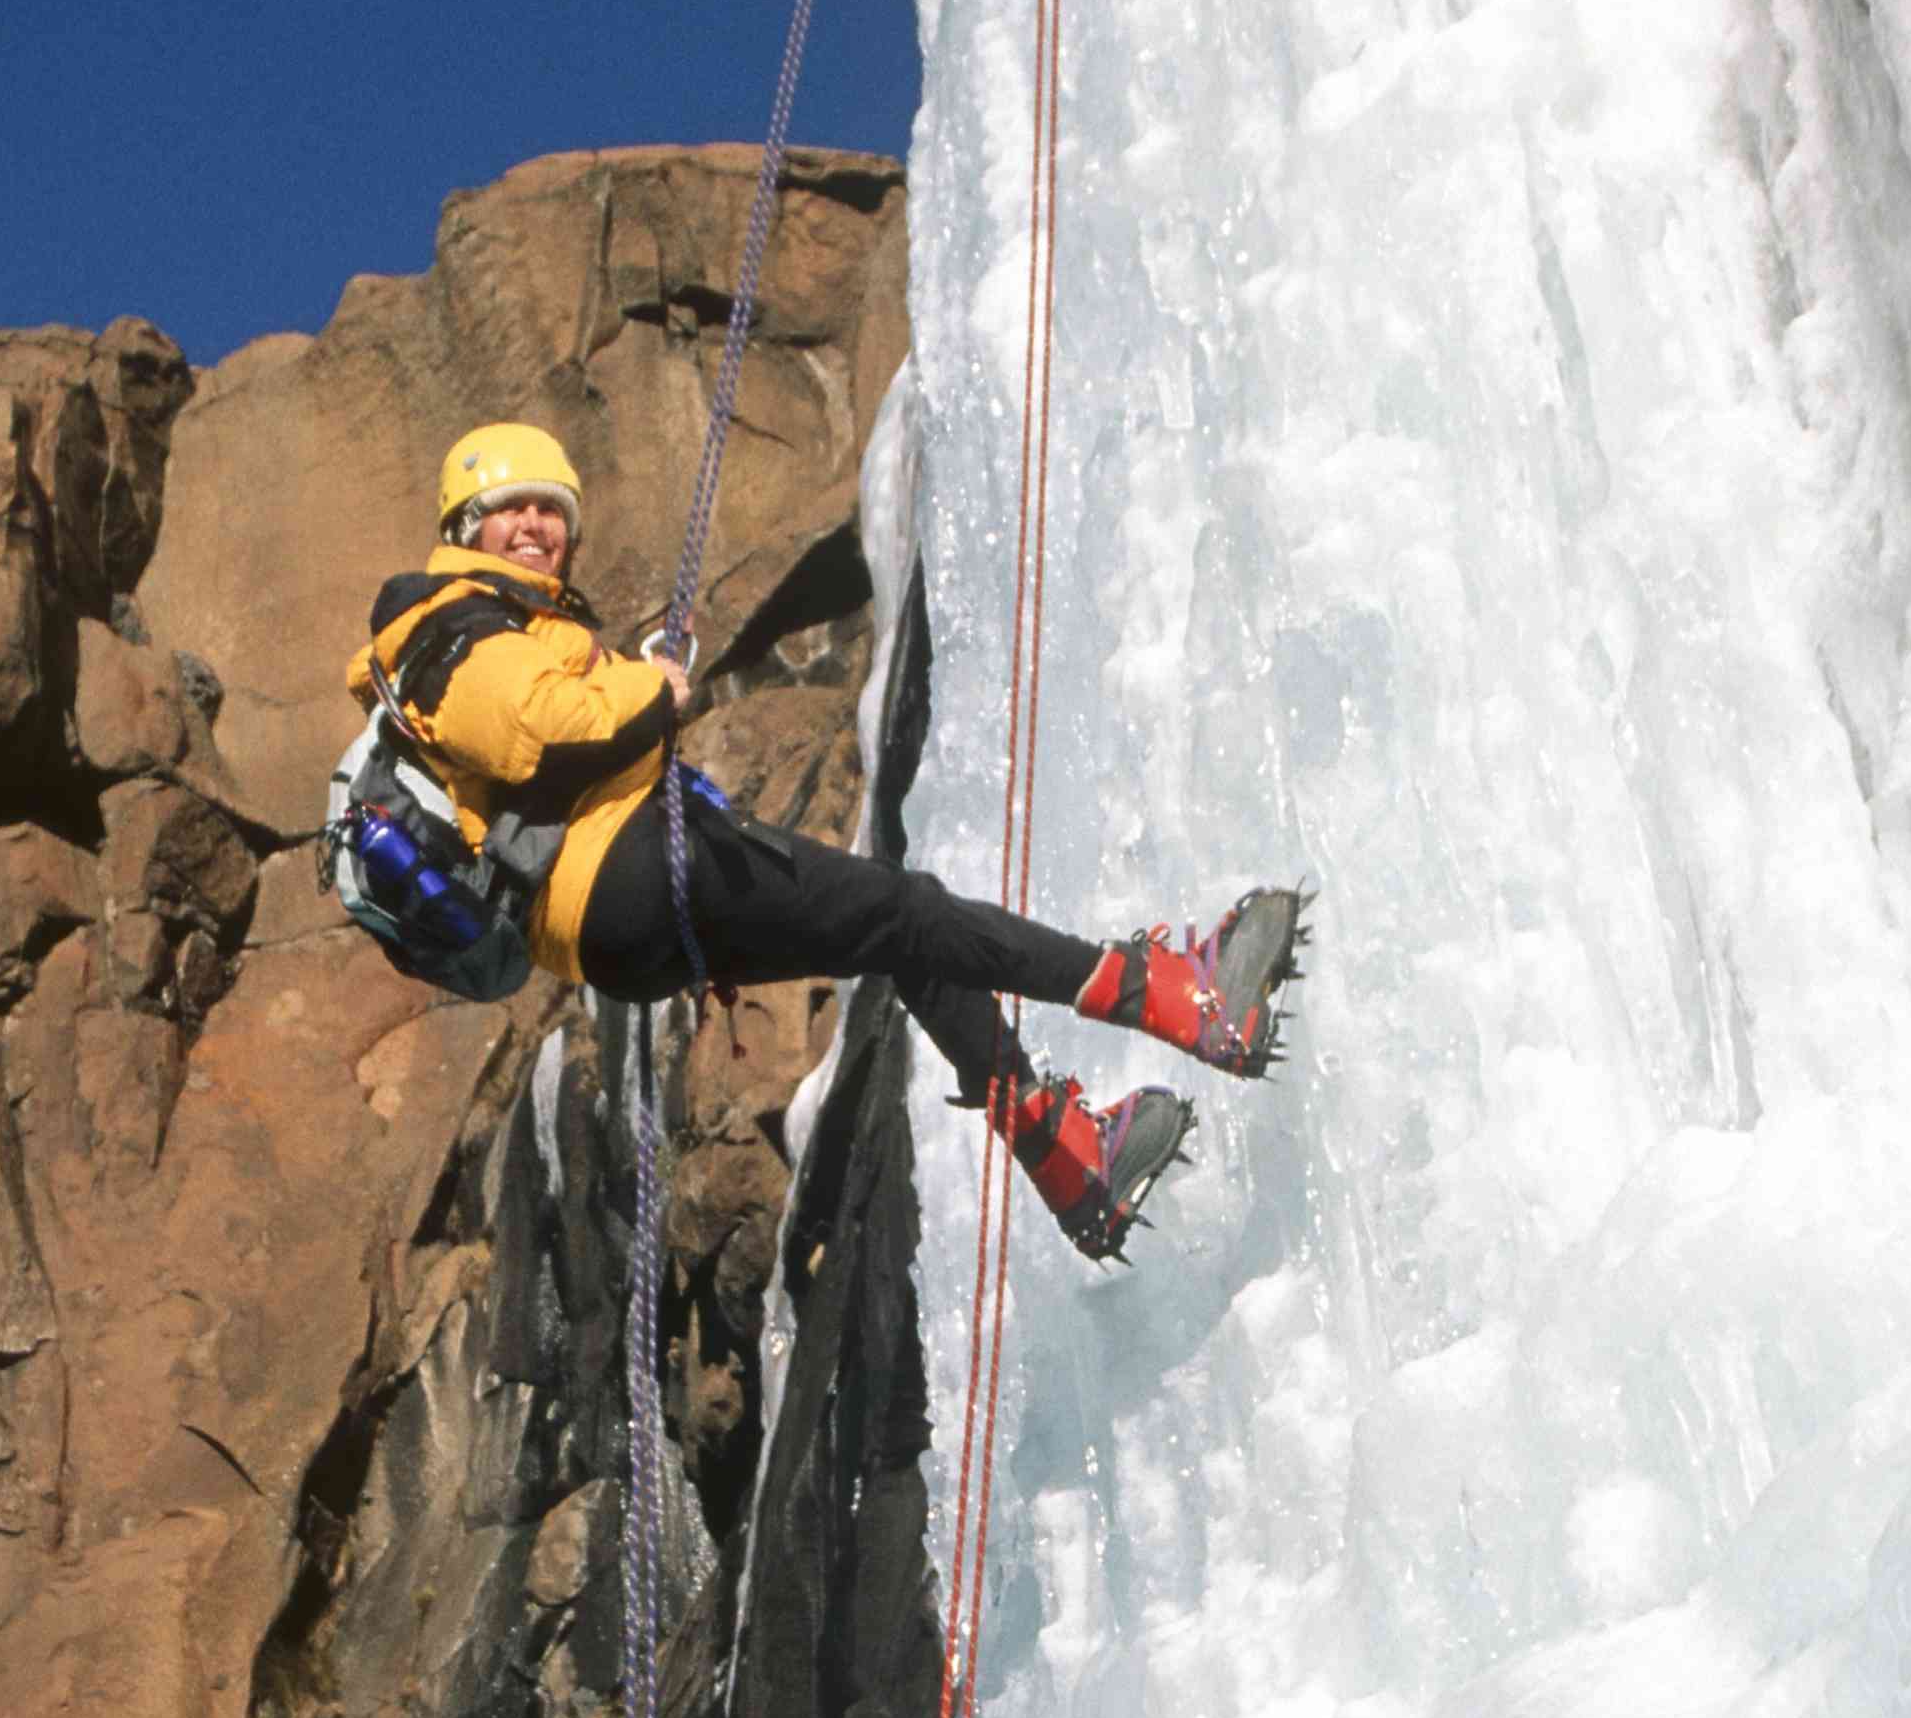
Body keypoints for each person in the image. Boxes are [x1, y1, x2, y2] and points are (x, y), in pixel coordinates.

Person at [343, 421, 1302, 1261]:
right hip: (624, 873)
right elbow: (544, 725)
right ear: (463, 527)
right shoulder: (437, 621)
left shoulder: (506, 624)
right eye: (509, 507)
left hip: (615, 912)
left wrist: (629, 690)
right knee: (906, 909)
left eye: (550, 509)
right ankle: (1174, 997)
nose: (536, 527)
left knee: (902, 929)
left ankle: (1064, 1155)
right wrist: (652, 690)